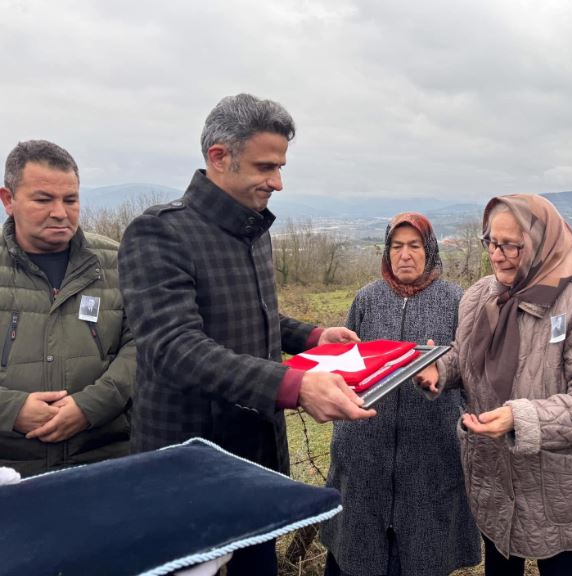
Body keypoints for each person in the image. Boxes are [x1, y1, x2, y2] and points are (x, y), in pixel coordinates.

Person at [118, 94, 375, 576]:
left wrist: (312, 337)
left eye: (279, 167)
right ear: (219, 156)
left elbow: (252, 318)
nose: (277, 182)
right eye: (265, 166)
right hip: (188, 468)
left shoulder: (254, 231)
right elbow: (174, 347)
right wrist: (293, 386)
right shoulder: (159, 234)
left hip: (256, 459)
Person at [416, 194, 572, 576]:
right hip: (495, 477)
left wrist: (521, 417)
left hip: (562, 490)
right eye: (492, 243)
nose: (497, 255)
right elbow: (466, 357)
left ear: (543, 244)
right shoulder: (481, 296)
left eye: (511, 245)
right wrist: (440, 370)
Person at [321, 212, 480, 576]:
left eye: (414, 246)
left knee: (424, 555)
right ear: (387, 252)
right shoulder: (367, 299)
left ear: (430, 251)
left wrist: (439, 380)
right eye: (396, 246)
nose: (405, 255)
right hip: (364, 454)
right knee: (357, 553)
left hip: (431, 456)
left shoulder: (456, 301)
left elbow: (471, 372)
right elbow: (347, 365)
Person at [0, 140, 135, 477]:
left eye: (70, 199)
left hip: (106, 460)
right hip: (10, 470)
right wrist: (11, 410)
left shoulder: (119, 263)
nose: (60, 212)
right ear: (8, 200)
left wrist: (90, 407)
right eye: (43, 199)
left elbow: (144, 344)